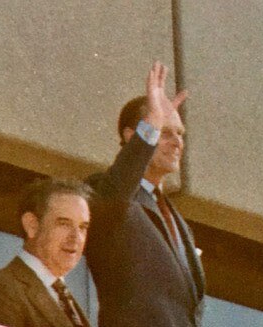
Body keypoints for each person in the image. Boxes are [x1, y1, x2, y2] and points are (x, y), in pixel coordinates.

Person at [84, 61, 206, 327]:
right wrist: (151, 124)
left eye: (179, 133)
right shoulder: (106, 191)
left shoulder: (176, 219)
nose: (176, 142)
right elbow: (115, 195)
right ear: (132, 136)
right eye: (164, 132)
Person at [0, 178, 92, 327]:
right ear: (32, 225)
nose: (76, 238)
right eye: (64, 224)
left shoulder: (65, 299)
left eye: (82, 227)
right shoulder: (1, 291)